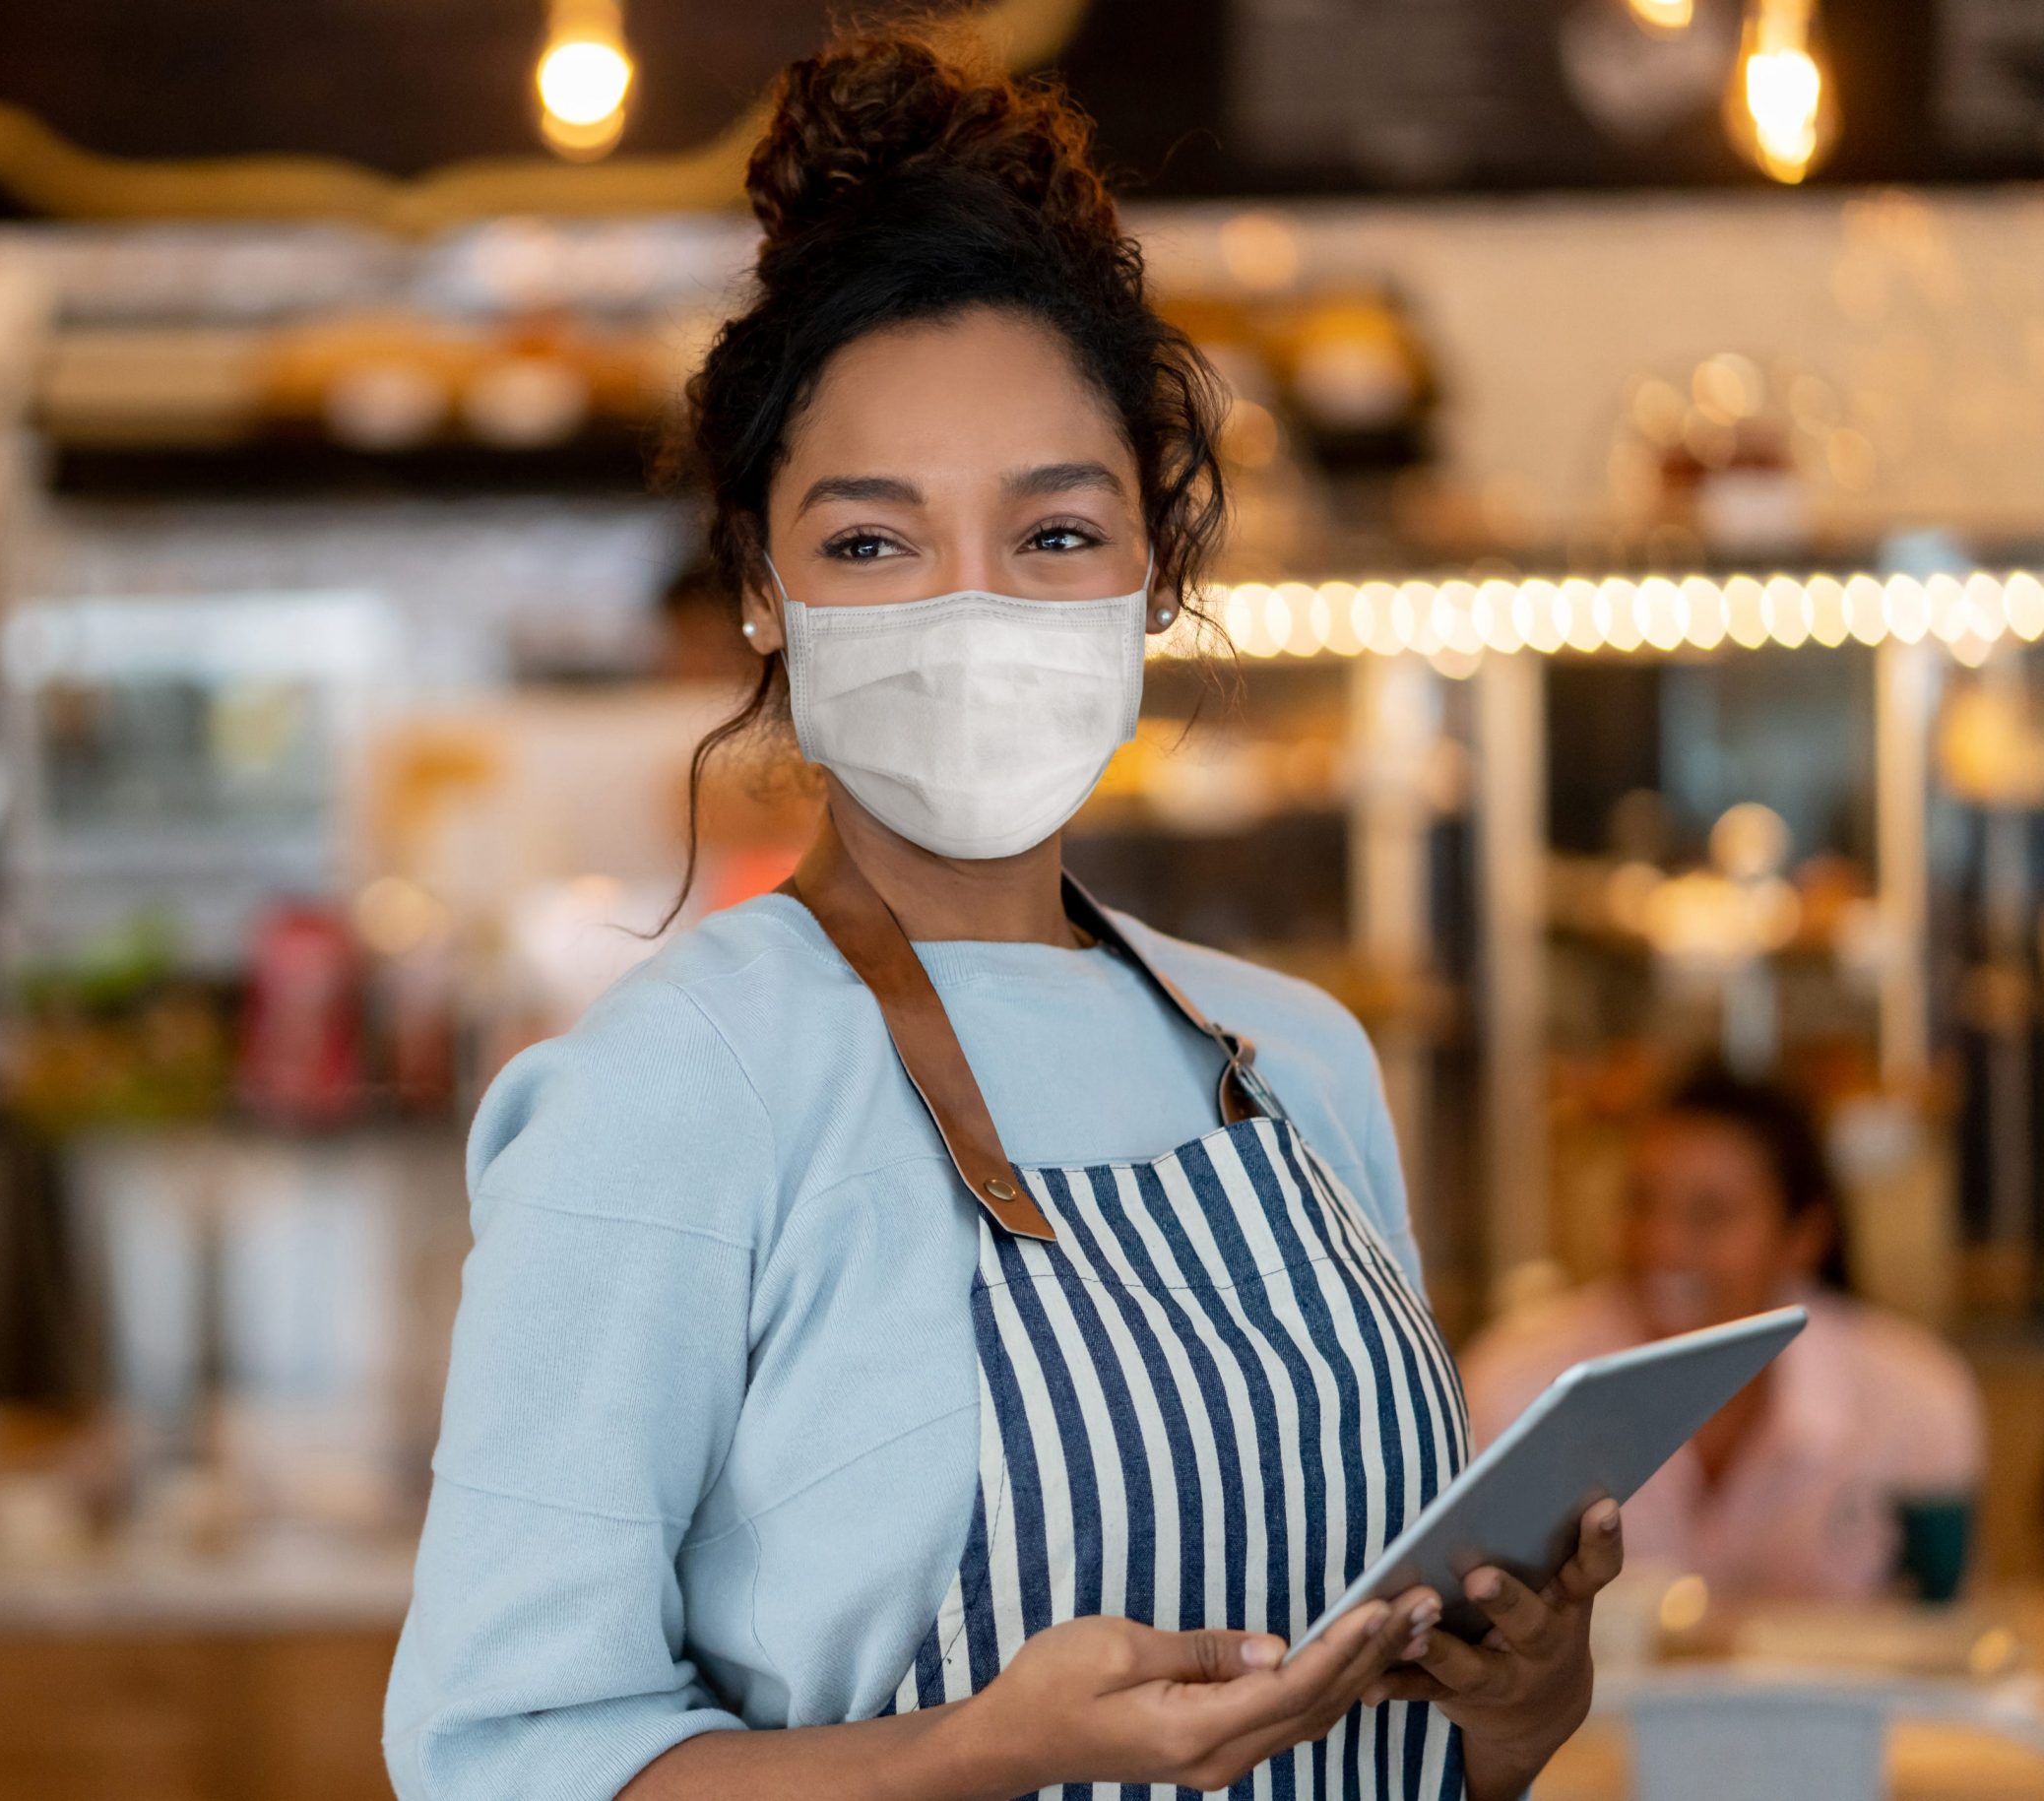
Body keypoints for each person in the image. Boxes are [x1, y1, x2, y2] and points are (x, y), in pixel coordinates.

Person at [384, 30, 1618, 1801]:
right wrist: (968, 1754)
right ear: (761, 584)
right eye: (875, 543)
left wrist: (1502, 1720)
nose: (969, 611)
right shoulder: (674, 1084)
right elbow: (499, 1763)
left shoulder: (1304, 1066)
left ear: (1155, 567)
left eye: (1051, 533)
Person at [1462, 1063, 1985, 1604]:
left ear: (1804, 1236)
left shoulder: (1914, 1394)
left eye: (1709, 1214)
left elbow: (1941, 1627)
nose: (1661, 1245)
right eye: (1641, 1204)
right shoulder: (1514, 1384)